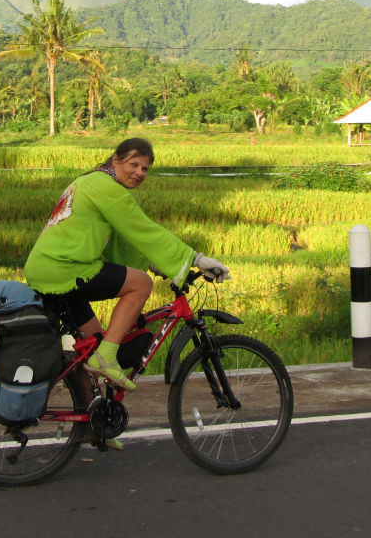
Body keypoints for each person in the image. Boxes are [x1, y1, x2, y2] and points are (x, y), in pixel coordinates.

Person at [24, 137, 230, 393]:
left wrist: (158, 264)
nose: (139, 173)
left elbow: (124, 241)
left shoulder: (93, 181)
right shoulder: (106, 187)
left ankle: (90, 430)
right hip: (64, 268)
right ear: (116, 160)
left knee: (90, 347)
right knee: (141, 284)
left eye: (145, 169)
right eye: (134, 164)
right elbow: (144, 229)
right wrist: (196, 259)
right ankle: (106, 357)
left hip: (49, 270)